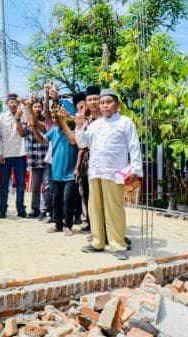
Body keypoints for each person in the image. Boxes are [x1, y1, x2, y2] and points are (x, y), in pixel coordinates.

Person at [76, 89, 143, 260]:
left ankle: (118, 244)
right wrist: (79, 125)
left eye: (108, 102)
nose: (104, 105)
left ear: (117, 105)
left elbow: (134, 146)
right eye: (102, 102)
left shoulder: (125, 122)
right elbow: (83, 143)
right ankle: (98, 242)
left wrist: (135, 169)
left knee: (114, 208)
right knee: (94, 207)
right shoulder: (95, 125)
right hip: (95, 171)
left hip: (115, 172)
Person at [29, 95, 80, 236]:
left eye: (60, 116)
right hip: (56, 172)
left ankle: (68, 226)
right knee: (56, 200)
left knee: (67, 201)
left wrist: (63, 121)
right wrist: (33, 129)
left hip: (70, 174)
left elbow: (73, 140)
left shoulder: (74, 130)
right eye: (56, 116)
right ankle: (58, 225)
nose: (57, 118)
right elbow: (42, 140)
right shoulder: (54, 130)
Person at [74, 85, 101, 231]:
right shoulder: (85, 121)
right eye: (89, 100)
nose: (91, 103)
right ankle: (93, 226)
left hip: (104, 165)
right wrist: (78, 167)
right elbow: (81, 146)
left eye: (95, 99)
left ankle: (109, 230)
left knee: (105, 200)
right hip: (88, 165)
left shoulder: (105, 118)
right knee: (90, 196)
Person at [22, 86, 51, 220]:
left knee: (46, 185)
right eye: (35, 107)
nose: (38, 108)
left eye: (39, 106)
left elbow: (40, 124)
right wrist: (26, 107)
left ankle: (44, 210)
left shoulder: (47, 121)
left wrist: (28, 106)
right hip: (34, 158)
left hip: (46, 158)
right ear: (32, 109)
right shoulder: (27, 122)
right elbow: (22, 132)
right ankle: (35, 209)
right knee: (35, 186)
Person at [0, 93, 28, 218]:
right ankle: (2, 209)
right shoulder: (1, 117)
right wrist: (0, 153)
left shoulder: (24, 115)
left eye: (15, 102)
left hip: (20, 153)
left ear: (18, 103)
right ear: (7, 104)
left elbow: (22, 134)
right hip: (6, 154)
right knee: (4, 184)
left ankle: (21, 209)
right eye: (10, 102)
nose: (12, 104)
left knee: (20, 184)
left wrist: (18, 118)